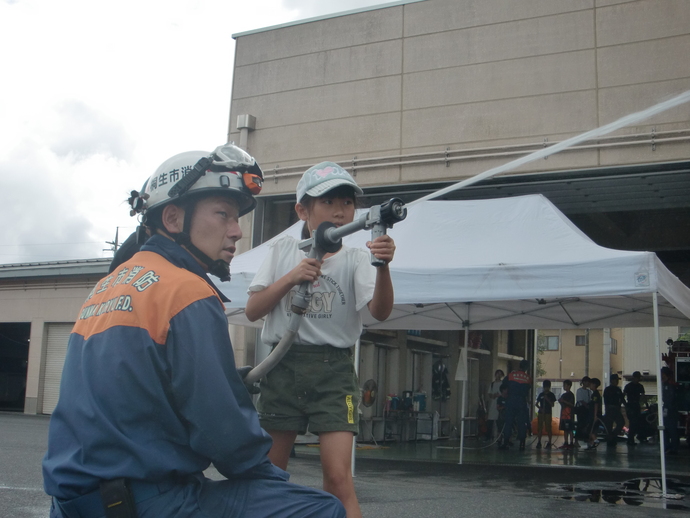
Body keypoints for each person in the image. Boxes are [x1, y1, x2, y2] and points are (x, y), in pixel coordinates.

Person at [43, 145, 346, 518]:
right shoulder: (186, 291)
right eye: (223, 215)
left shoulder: (108, 286)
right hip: (149, 502)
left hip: (74, 504)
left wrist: (225, 379)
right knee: (322, 508)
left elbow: (135, 386)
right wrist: (269, 478)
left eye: (236, 219)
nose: (236, 232)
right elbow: (226, 435)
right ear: (173, 218)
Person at [245, 161, 396, 518]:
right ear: (303, 210)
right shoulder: (283, 250)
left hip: (334, 372)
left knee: (339, 478)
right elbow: (253, 310)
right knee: (270, 475)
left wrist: (383, 266)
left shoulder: (359, 257)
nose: (340, 211)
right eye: (328, 202)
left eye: (346, 202)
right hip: (283, 365)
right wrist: (290, 277)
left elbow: (380, 311)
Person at [498, 359, 532, 450]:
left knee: (508, 422)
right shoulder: (528, 378)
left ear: (519, 366)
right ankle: (522, 444)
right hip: (521, 402)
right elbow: (528, 389)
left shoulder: (511, 375)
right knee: (522, 423)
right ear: (527, 367)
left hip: (511, 400)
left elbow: (503, 385)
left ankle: (505, 443)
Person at [623, 371, 647, 446]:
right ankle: (631, 439)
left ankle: (631, 439)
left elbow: (643, 396)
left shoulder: (639, 386)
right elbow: (623, 396)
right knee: (633, 423)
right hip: (631, 405)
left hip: (635, 405)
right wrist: (626, 404)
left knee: (635, 423)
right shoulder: (630, 386)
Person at [661, 367, 680, 455]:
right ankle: (669, 447)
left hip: (671, 410)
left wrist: (666, 409)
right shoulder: (665, 384)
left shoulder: (670, 385)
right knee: (666, 429)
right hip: (668, 408)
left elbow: (670, 399)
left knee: (671, 429)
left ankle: (673, 447)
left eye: (663, 374)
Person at [602, 374, 625, 447]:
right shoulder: (608, 389)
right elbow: (606, 400)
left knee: (621, 423)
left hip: (617, 408)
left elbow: (622, 399)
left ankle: (612, 436)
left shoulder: (618, 389)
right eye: (616, 380)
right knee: (609, 425)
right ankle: (610, 440)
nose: (617, 381)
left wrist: (626, 405)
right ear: (612, 380)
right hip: (610, 408)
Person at [535, 380, 557, 449]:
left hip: (548, 413)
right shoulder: (541, 394)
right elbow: (536, 404)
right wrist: (540, 408)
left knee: (548, 428)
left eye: (547, 387)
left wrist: (547, 399)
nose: (546, 388)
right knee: (539, 428)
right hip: (541, 413)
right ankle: (539, 442)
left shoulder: (551, 395)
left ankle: (549, 442)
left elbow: (552, 405)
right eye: (545, 387)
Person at [486, 369, 504, 441]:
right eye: (497, 374)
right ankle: (489, 436)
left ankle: (499, 437)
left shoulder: (502, 383)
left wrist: (499, 395)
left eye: (500, 374)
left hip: (500, 403)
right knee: (490, 420)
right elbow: (489, 394)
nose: (498, 375)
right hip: (493, 404)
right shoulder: (492, 384)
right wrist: (493, 395)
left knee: (499, 421)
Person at [574, 376, 591, 449]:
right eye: (587, 382)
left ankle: (587, 440)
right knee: (580, 424)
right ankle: (576, 441)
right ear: (583, 382)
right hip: (581, 409)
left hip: (587, 409)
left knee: (587, 425)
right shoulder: (579, 390)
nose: (588, 383)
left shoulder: (589, 391)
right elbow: (580, 400)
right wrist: (586, 405)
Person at [558, 379, 575, 450]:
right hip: (564, 414)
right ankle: (566, 442)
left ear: (569, 386)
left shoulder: (571, 395)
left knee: (570, 429)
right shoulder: (563, 395)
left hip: (569, 415)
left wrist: (563, 401)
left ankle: (571, 442)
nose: (564, 386)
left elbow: (572, 404)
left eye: (565, 385)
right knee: (565, 429)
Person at [586, 378, 603, 450]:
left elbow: (596, 404)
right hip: (593, 414)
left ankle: (595, 440)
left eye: (591, 384)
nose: (590, 385)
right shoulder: (594, 394)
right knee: (592, 430)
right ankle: (591, 444)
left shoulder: (595, 394)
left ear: (594, 384)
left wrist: (595, 415)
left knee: (591, 430)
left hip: (594, 415)